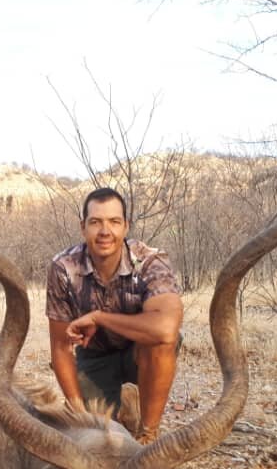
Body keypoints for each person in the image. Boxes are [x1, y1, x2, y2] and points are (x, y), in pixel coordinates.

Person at [45, 187, 183, 444]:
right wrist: (78, 417)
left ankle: (148, 434)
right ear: (82, 227)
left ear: (126, 226)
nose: (105, 231)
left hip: (138, 354)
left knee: (162, 341)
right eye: (95, 222)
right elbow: (61, 347)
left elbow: (165, 329)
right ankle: (125, 406)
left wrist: (99, 317)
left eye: (114, 222)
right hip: (94, 357)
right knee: (96, 436)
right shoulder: (63, 268)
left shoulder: (150, 261)